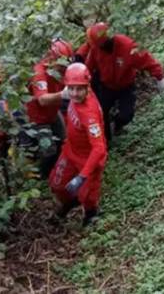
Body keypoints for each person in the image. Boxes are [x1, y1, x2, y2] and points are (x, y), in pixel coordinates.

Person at [84, 22, 164, 141]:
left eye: (101, 45)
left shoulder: (127, 46)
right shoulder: (96, 48)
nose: (100, 48)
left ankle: (117, 124)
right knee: (101, 114)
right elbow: (88, 67)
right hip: (106, 86)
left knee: (126, 116)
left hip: (126, 86)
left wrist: (159, 77)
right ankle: (106, 141)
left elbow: (147, 60)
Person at [48, 63, 108, 226]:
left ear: (87, 86)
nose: (74, 93)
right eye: (71, 88)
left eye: (79, 89)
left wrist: (82, 176)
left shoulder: (89, 115)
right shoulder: (75, 94)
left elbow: (99, 148)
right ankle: (68, 204)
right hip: (70, 151)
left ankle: (90, 215)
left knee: (87, 197)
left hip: (88, 160)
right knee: (57, 184)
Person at [20, 38, 74, 179]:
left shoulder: (62, 70)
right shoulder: (39, 73)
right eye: (61, 66)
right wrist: (63, 94)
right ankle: (43, 176)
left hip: (53, 112)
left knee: (63, 140)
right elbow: (43, 100)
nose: (64, 69)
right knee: (49, 150)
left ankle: (55, 170)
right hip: (37, 118)